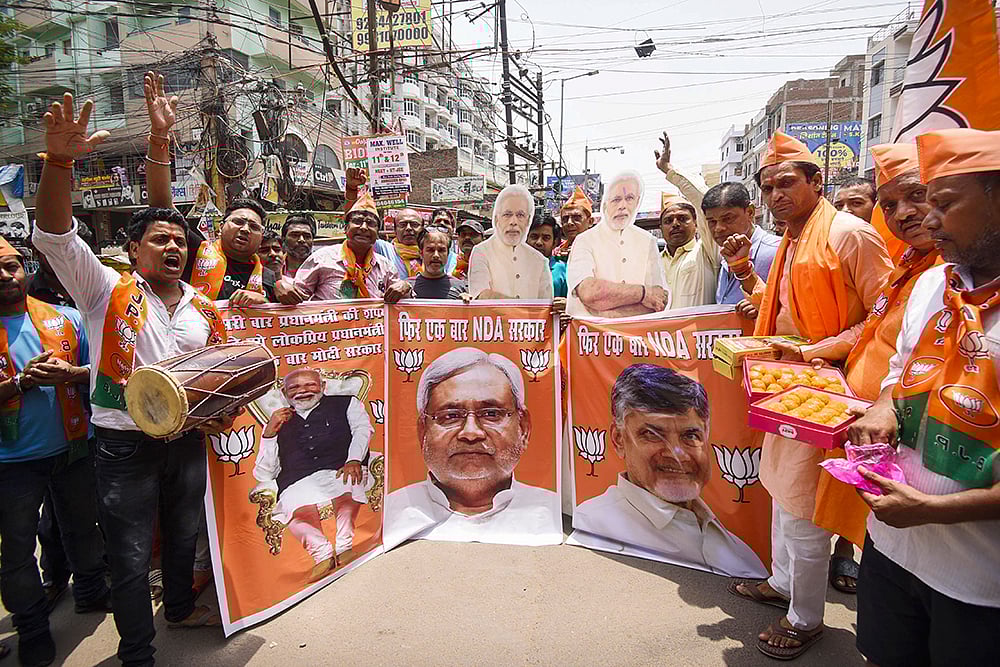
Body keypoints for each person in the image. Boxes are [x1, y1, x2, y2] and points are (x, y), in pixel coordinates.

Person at [31, 88, 236, 665]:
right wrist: (61, 163)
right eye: (159, 239)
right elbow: (54, 236)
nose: (173, 246)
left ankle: (176, 608)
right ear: (132, 249)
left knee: (180, 534)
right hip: (123, 446)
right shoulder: (104, 291)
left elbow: (219, 372)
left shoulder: (204, 306)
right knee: (126, 553)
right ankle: (137, 651)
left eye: (180, 241)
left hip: (187, 443)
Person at [725, 130, 892, 660]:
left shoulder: (849, 234)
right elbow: (783, 312)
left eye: (787, 183)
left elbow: (886, 320)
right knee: (779, 489)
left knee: (804, 506)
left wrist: (818, 351)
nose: (776, 195)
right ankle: (780, 583)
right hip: (788, 384)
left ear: (817, 182)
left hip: (829, 390)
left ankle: (806, 617)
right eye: (768, 186)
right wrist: (746, 275)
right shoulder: (794, 241)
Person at [848, 128, 1000, 667]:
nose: (926, 218)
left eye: (944, 202)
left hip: (978, 579)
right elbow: (900, 368)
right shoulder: (934, 286)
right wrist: (887, 404)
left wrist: (934, 509)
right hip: (892, 547)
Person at [813, 142, 940, 596]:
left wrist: (885, 402)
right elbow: (872, 326)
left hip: (917, 435)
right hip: (866, 414)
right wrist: (819, 350)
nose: (904, 213)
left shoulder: (957, 274)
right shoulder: (907, 265)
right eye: (890, 205)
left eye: (917, 197)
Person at [0, 236, 110, 667]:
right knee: (17, 551)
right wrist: (20, 383)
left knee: (83, 527)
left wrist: (70, 374)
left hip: (72, 446)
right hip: (11, 463)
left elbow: (97, 374)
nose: (6, 275)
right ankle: (31, 627)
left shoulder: (66, 319)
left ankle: (90, 592)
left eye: (11, 265)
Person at [572, 365, 767, 578]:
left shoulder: (740, 551)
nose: (677, 454)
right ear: (619, 439)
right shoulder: (595, 525)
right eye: (653, 434)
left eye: (690, 435)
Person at [384, 347, 561, 548]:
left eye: (491, 414)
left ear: (524, 428)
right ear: (422, 431)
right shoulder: (391, 511)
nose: (471, 433)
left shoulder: (549, 509)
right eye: (450, 416)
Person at [253, 368, 372, 582]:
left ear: (323, 387)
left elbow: (362, 430)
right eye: (294, 387)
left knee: (347, 488)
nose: (303, 391)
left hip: (340, 467)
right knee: (295, 506)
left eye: (310, 385)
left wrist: (353, 459)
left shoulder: (346, 403)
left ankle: (345, 545)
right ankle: (322, 554)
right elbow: (264, 472)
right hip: (298, 478)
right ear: (284, 393)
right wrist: (269, 433)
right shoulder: (278, 421)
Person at [566, 170, 669, 317]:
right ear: (605, 203)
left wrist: (606, 314)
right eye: (616, 199)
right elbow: (589, 293)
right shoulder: (585, 240)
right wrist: (643, 293)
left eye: (629, 198)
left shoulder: (647, 241)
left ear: (637, 201)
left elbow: (660, 300)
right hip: (591, 337)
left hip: (635, 337)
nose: (622, 206)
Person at [294, 190, 412, 303]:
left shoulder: (387, 267)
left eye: (371, 223)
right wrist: (278, 285)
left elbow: (404, 302)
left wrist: (406, 287)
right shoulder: (321, 258)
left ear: (377, 233)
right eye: (358, 221)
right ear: (345, 228)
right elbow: (297, 295)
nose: (364, 227)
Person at [654, 132, 720, 309]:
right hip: (657, 336)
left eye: (683, 218)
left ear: (697, 223)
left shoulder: (706, 252)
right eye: (668, 221)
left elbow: (705, 199)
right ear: (661, 228)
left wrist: (669, 169)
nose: (675, 224)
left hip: (697, 337)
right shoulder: (653, 262)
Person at [701, 182, 780, 313]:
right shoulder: (724, 256)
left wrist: (763, 307)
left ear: (750, 212)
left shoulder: (778, 252)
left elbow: (795, 309)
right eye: (712, 222)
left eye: (728, 219)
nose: (719, 228)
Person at [183, 198, 278, 305]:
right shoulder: (196, 252)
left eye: (254, 226)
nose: (245, 229)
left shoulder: (268, 277)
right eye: (238, 222)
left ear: (261, 238)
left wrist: (263, 302)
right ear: (221, 227)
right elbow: (163, 205)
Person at [468, 185, 553, 300]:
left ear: (528, 220)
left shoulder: (539, 261)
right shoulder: (481, 252)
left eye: (520, 215)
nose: (513, 222)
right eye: (507, 215)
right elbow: (480, 295)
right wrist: (519, 307)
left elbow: (545, 307)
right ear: (497, 218)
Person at [407, 228, 466, 300]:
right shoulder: (407, 288)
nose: (436, 255)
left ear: (448, 254)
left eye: (441, 250)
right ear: (421, 253)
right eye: (430, 250)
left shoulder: (460, 288)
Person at [376, 208, 424, 279]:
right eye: (402, 224)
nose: (408, 228)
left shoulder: (432, 251)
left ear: (422, 229)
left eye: (414, 224)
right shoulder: (383, 248)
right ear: (395, 230)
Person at [526, 214, 566, 299]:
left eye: (546, 238)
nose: (539, 242)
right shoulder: (514, 268)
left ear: (555, 243)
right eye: (534, 237)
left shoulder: (563, 270)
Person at [553, 186, 595, 261]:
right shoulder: (556, 252)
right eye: (565, 219)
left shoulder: (600, 250)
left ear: (590, 221)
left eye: (576, 218)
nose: (569, 223)